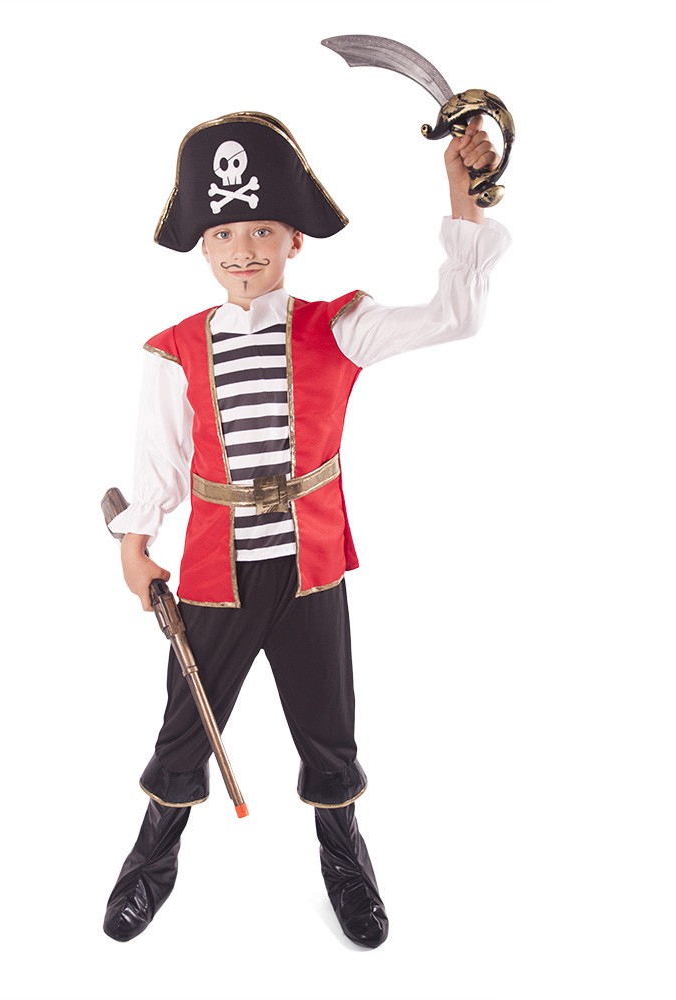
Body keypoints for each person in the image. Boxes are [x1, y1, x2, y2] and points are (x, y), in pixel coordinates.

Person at [103, 110, 511, 948]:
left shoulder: (339, 328)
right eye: (224, 234)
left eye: (262, 230)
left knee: (328, 726)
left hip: (311, 566)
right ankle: (153, 859)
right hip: (215, 574)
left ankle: (344, 856)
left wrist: (462, 201)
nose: (242, 249)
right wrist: (136, 547)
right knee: (187, 722)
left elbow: (456, 316)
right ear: (203, 248)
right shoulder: (173, 350)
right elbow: (160, 464)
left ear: (295, 239)